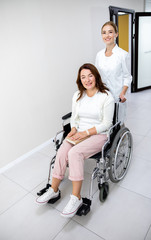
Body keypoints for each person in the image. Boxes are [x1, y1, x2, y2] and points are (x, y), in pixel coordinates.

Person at [36, 63, 114, 218]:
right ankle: (53, 190)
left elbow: (107, 124)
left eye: (90, 75)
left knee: (74, 153)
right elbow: (75, 119)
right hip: (79, 133)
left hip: (98, 135)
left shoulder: (106, 97)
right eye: (83, 77)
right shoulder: (78, 95)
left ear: (96, 76)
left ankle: (76, 198)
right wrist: (73, 130)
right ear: (80, 80)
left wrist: (85, 133)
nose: (87, 80)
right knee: (62, 151)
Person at [95, 21, 132, 124]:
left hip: (117, 96)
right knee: (104, 123)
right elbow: (97, 75)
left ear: (116, 34)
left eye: (110, 32)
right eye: (104, 32)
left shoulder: (123, 55)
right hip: (102, 95)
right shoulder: (99, 55)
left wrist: (123, 93)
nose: (107, 35)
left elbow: (127, 77)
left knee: (117, 123)